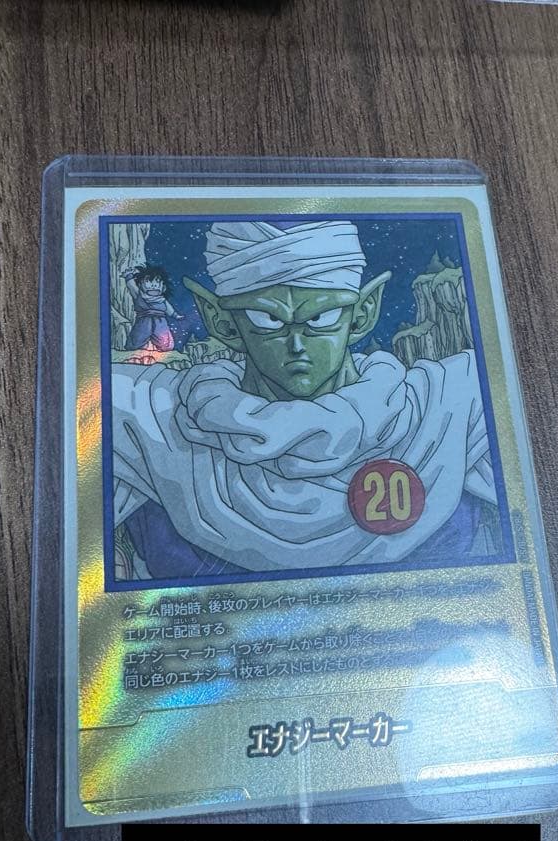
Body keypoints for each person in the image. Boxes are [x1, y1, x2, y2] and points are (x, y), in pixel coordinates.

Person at [112, 220, 497, 580]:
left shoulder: (449, 409)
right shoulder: (147, 422)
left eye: (321, 317)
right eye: (267, 319)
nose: (296, 344)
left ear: (363, 314)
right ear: (222, 322)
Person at [122, 265, 182, 352]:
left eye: (157, 282)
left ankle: (164, 347)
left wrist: (175, 315)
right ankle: (137, 347)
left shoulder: (162, 300)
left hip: (160, 321)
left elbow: (169, 309)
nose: (153, 285)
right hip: (144, 320)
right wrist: (129, 276)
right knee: (138, 337)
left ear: (163, 287)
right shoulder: (139, 295)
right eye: (148, 282)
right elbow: (131, 286)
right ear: (140, 284)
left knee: (165, 341)